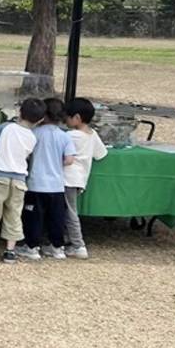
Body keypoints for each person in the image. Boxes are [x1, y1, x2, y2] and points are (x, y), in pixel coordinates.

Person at [0, 97, 45, 264]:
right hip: (19, 179)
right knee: (14, 214)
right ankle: (10, 251)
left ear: (19, 112)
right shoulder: (33, 137)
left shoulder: (5, 127)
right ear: (40, 120)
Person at [16, 98, 77, 261]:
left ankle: (32, 247)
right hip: (57, 185)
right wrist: (57, 163)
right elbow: (70, 159)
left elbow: (27, 154)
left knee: (33, 217)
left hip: (36, 183)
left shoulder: (34, 134)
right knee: (56, 218)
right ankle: (57, 248)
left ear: (43, 116)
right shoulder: (65, 136)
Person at [62, 97, 108, 260]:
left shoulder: (70, 135)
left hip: (67, 178)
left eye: (67, 116)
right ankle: (68, 240)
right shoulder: (92, 134)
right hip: (80, 179)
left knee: (69, 212)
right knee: (68, 210)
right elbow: (101, 154)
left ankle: (78, 245)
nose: (65, 120)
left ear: (77, 118)